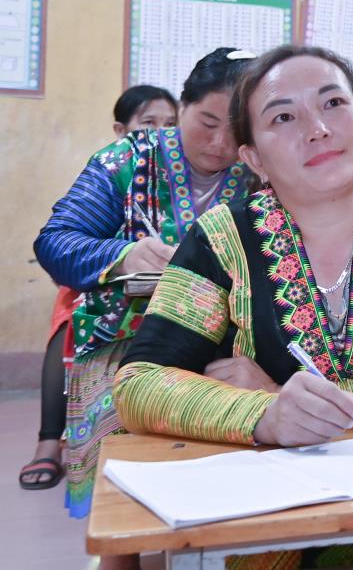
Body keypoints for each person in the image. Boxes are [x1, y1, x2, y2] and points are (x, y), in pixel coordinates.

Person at [114, 45, 353, 570]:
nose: (317, 129)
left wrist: (280, 393)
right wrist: (265, 416)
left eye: (333, 104)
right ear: (254, 157)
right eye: (284, 116)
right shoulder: (223, 236)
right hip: (267, 518)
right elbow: (139, 382)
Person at [33, 49, 254, 519]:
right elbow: (55, 243)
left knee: (224, 494)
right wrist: (121, 254)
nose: (219, 142)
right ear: (182, 107)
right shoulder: (127, 161)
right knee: (123, 503)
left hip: (227, 348)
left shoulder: (260, 173)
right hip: (125, 343)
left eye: (236, 128)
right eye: (207, 121)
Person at [18, 85, 178, 492]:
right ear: (120, 129)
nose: (160, 135)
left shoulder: (180, 177)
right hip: (96, 284)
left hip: (163, 290)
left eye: (170, 125)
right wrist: (122, 255)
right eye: (148, 125)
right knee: (66, 322)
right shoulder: (114, 170)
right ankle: (49, 441)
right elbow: (64, 245)